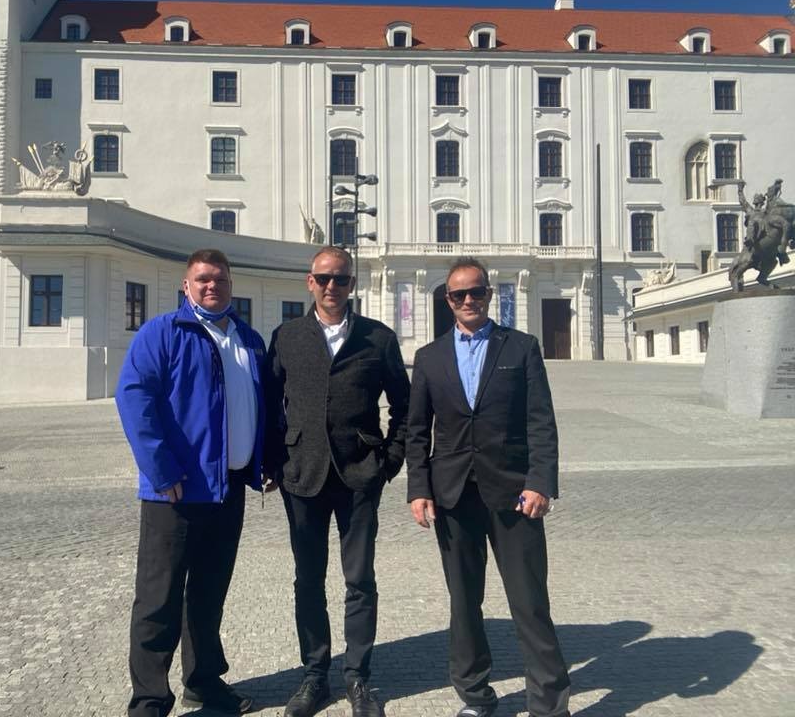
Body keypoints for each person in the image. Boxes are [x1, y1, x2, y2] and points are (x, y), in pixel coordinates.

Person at [406, 257, 571, 717]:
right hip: (452, 495)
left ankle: (550, 705)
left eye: (476, 291)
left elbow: (541, 421)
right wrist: (418, 488)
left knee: (530, 602)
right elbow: (416, 431)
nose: (468, 300)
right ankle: (476, 697)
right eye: (458, 294)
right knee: (464, 604)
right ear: (448, 300)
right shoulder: (429, 357)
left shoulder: (521, 347)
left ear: (489, 294)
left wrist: (541, 482)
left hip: (515, 493)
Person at [115, 249, 267, 717]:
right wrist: (161, 471)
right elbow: (133, 398)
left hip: (228, 489)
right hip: (175, 492)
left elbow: (261, 407)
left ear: (231, 284)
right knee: (158, 597)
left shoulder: (249, 340)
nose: (211, 286)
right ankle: (150, 698)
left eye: (219, 278)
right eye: (202, 279)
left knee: (208, 594)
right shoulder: (163, 332)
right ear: (186, 286)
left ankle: (203, 682)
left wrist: (263, 461)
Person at [265, 246, 411, 717]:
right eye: (324, 278)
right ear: (310, 282)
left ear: (353, 283)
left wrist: (389, 461)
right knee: (307, 579)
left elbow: (405, 407)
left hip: (359, 474)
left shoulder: (378, 338)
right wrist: (274, 461)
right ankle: (314, 676)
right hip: (302, 474)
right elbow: (268, 404)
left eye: (341, 279)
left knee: (360, 580)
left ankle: (358, 678)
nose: (332, 286)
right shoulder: (286, 337)